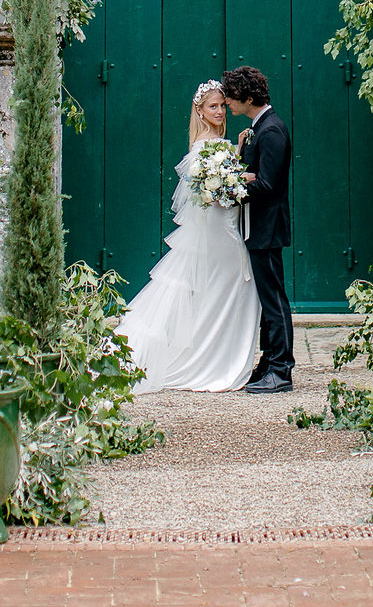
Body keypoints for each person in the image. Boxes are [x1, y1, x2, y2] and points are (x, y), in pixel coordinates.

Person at [116, 80, 260, 393]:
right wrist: (233, 177)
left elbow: (226, 178)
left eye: (222, 106)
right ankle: (211, 360)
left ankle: (215, 354)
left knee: (224, 289)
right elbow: (209, 192)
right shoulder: (202, 147)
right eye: (213, 107)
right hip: (218, 229)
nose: (220, 111)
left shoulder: (219, 144)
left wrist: (235, 152)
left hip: (227, 224)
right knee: (228, 285)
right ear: (200, 111)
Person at [221, 65, 295, 393]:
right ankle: (268, 361)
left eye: (232, 99)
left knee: (274, 297)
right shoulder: (257, 128)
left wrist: (232, 184)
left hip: (267, 228)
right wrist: (241, 175)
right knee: (266, 298)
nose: (227, 104)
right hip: (256, 228)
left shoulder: (272, 130)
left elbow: (268, 185)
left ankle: (281, 370)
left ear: (249, 98)